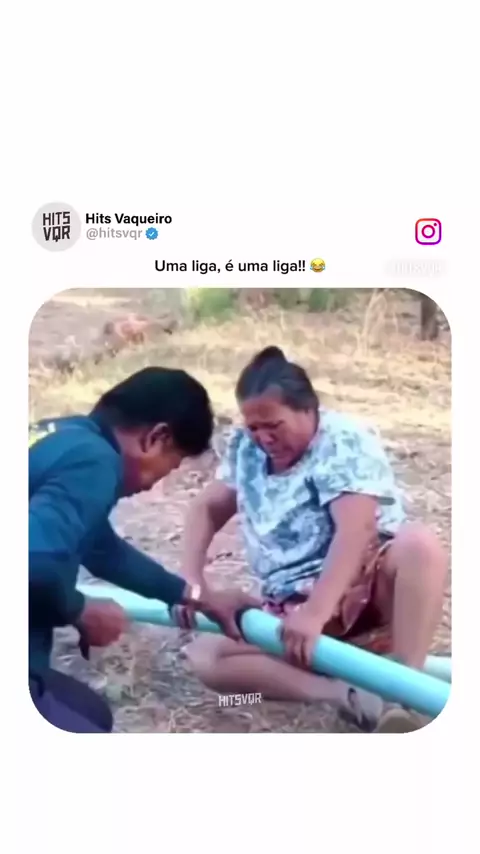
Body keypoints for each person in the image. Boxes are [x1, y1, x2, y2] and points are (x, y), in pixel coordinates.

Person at [180, 347, 448, 733]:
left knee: (419, 544)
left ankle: (406, 691)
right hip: (293, 613)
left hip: (360, 595)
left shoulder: (342, 440)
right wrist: (192, 580)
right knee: (206, 658)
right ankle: (343, 695)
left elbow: (356, 531)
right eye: (254, 428)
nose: (264, 438)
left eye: (274, 425)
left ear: (308, 409)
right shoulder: (245, 448)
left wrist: (317, 611)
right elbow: (206, 507)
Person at [29, 366, 259, 733]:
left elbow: (101, 549)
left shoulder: (59, 435)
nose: (156, 484)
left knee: (92, 714)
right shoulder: (94, 463)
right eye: (172, 464)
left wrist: (192, 595)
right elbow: (33, 566)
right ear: (156, 438)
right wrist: (80, 609)